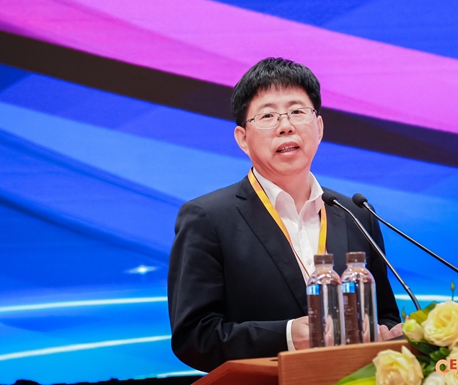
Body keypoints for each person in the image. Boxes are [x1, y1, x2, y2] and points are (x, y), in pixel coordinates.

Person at [167, 57, 401, 372]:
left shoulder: (355, 214)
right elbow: (195, 337)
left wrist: (385, 334)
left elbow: (385, 315)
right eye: (267, 116)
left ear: (319, 127)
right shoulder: (207, 218)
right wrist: (288, 336)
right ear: (242, 138)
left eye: (297, 111)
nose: (286, 126)